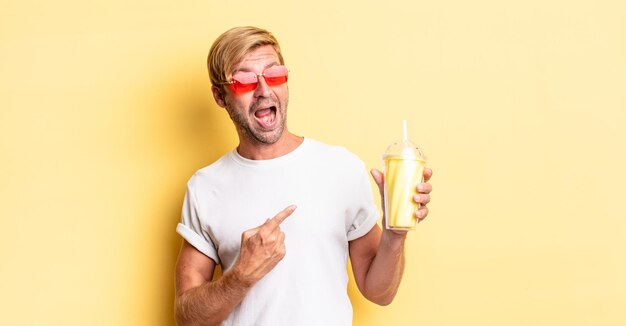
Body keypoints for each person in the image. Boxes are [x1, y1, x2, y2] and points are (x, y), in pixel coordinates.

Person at [174, 26, 433, 326]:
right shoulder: (206, 187)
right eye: (244, 80)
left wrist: (394, 234)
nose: (264, 90)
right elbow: (187, 319)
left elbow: (379, 292)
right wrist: (241, 276)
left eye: (274, 75)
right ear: (220, 96)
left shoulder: (341, 168)